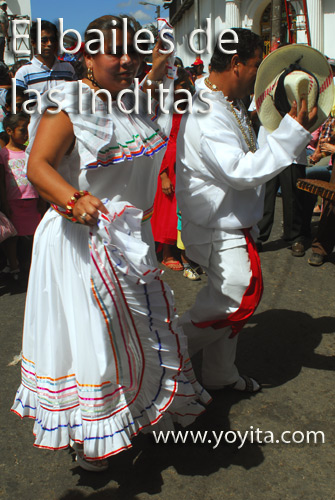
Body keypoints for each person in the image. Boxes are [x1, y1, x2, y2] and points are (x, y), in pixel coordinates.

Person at [11, 15, 209, 472]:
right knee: (97, 341)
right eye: (113, 52)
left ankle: (143, 414)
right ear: (87, 56)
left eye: (133, 52)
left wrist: (158, 67)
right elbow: (39, 166)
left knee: (144, 331)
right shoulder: (68, 105)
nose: (126, 60)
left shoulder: (134, 101)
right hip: (84, 243)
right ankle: (94, 439)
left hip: (129, 242)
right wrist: (73, 197)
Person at [176, 31, 319, 393]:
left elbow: (259, 148)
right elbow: (240, 171)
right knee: (235, 297)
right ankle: (161, 354)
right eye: (256, 65)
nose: (259, 74)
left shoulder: (229, 100)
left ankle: (220, 374)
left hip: (231, 220)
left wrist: (287, 124)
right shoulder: (207, 112)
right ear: (236, 64)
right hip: (215, 224)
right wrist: (292, 133)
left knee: (229, 296)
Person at [0, 113, 41, 279]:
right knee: (13, 235)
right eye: (22, 130)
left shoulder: (31, 151)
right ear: (9, 131)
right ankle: (14, 265)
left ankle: (33, 264)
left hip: (33, 198)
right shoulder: (3, 154)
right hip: (13, 200)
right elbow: (2, 181)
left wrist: (42, 201)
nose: (26, 135)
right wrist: (4, 203)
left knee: (35, 234)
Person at [15, 20, 76, 99]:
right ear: (34, 43)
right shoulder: (23, 74)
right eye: (44, 40)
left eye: (52, 40)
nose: (49, 44)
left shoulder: (68, 70)